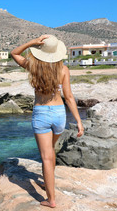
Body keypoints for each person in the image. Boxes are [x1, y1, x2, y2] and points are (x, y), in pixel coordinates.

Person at [10, 34, 84, 208]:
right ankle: (47, 182)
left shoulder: (33, 66)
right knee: (51, 151)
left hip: (41, 113)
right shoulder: (64, 69)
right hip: (59, 113)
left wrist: (31, 43)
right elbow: (70, 97)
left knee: (46, 157)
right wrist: (79, 121)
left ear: (40, 51)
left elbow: (14, 53)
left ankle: (51, 200)